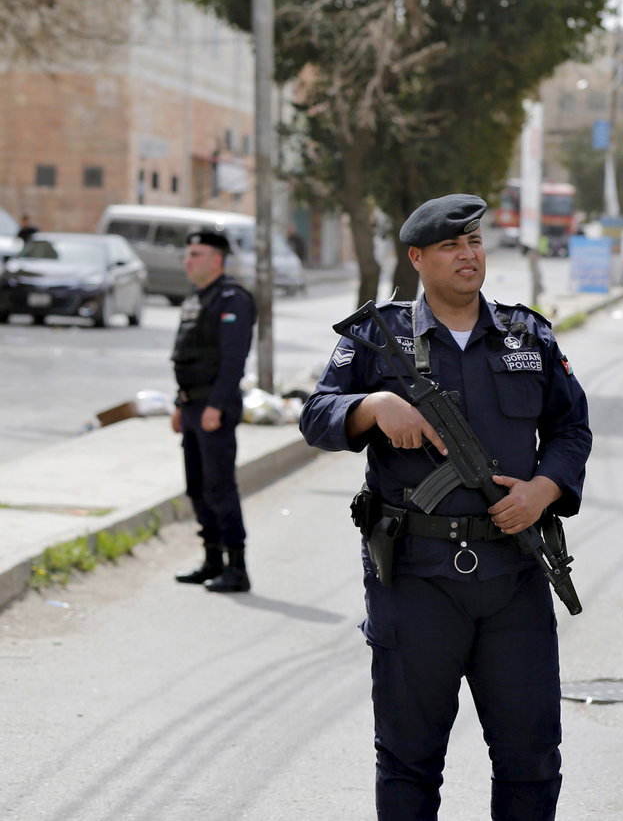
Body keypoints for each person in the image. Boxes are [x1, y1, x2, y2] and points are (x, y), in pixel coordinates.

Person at [299, 194, 591, 820]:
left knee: (532, 758)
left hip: (513, 573)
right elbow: (316, 416)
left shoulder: (527, 335)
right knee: (409, 759)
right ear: (417, 258)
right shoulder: (380, 337)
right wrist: (374, 406)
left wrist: (544, 490)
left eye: (475, 242)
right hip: (415, 578)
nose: (467, 255)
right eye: (450, 246)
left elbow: (571, 429)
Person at [171, 230, 257, 593]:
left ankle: (237, 567)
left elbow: (233, 360)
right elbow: (188, 354)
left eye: (196, 254)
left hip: (213, 407)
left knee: (219, 486)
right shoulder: (197, 298)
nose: (188, 260)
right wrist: (180, 403)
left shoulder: (232, 299)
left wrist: (216, 406)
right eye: (188, 254)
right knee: (197, 486)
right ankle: (211, 559)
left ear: (216, 260)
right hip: (192, 405)